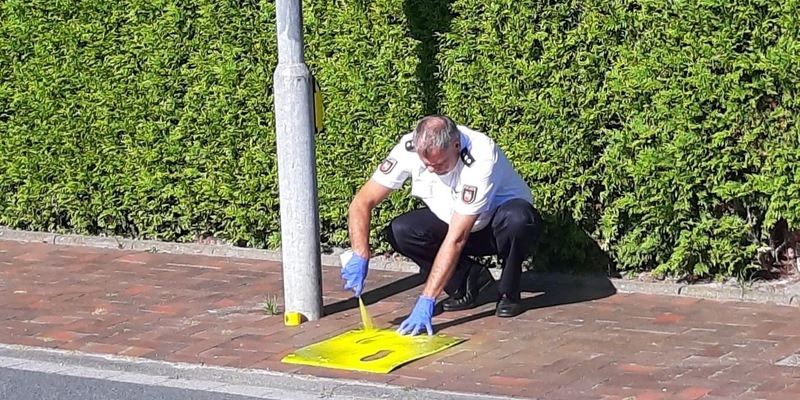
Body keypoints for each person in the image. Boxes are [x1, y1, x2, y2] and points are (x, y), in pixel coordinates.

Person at [341, 115, 541, 336]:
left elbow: (457, 238)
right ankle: (469, 282)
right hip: (454, 221)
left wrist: (427, 298)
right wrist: (360, 253)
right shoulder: (409, 148)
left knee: (518, 220)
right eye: (426, 164)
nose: (432, 170)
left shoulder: (482, 155)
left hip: (494, 226)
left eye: (439, 164)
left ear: (456, 145)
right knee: (401, 231)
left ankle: (509, 293)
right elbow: (362, 202)